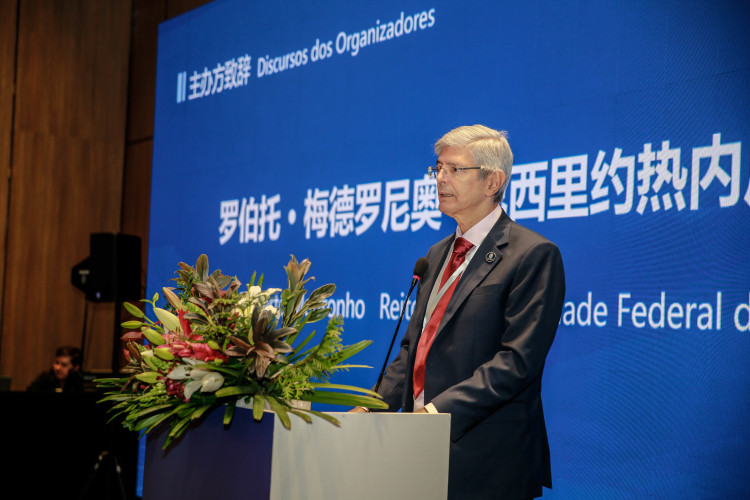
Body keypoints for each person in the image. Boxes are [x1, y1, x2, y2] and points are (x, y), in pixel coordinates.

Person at [354, 125, 565, 499]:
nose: (441, 179)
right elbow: (413, 350)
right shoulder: (436, 255)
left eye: (455, 169)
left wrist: (435, 414)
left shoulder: (532, 254)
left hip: (487, 460)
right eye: (438, 168)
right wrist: (371, 408)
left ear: (492, 182)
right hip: (419, 450)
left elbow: (517, 362)